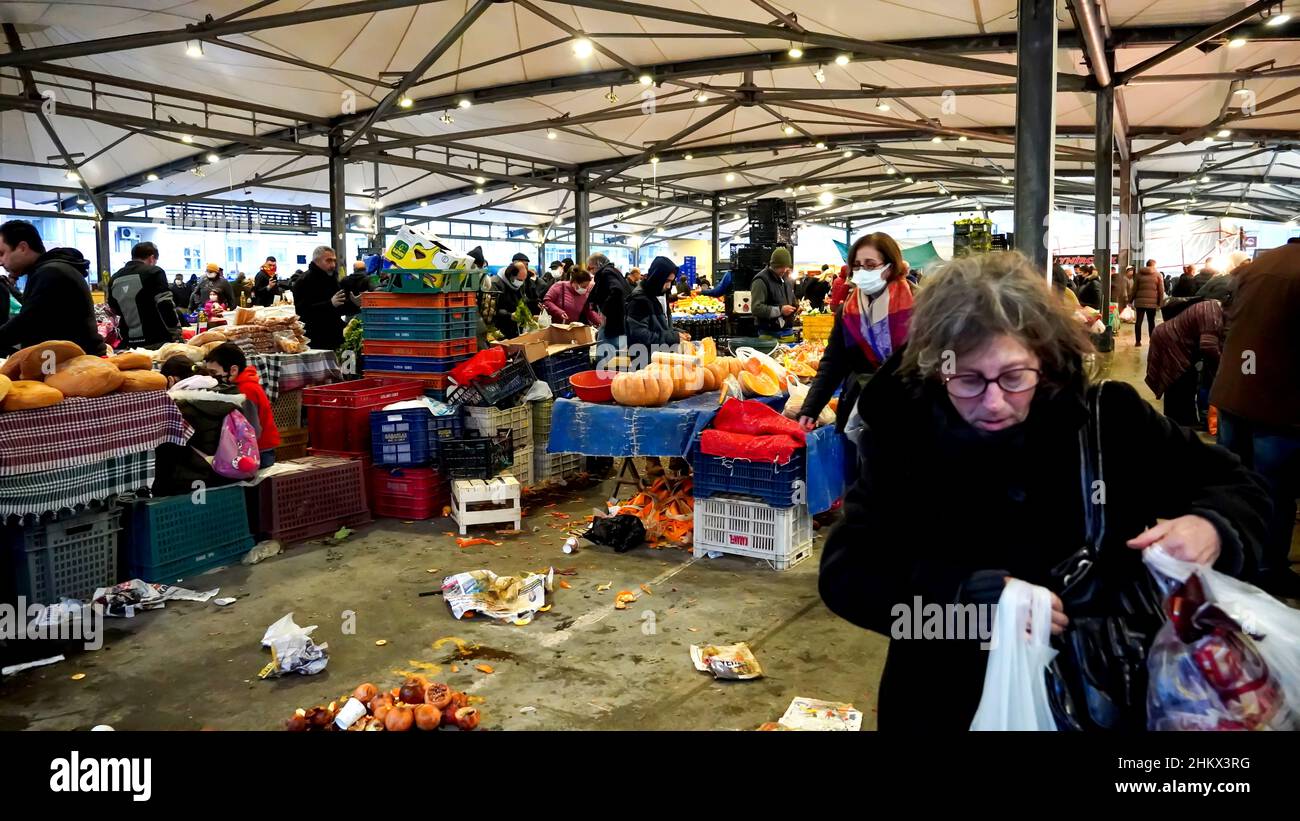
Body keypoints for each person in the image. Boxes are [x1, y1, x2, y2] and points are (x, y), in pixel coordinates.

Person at [818, 250, 1270, 731]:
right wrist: (962, 604)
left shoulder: (1109, 422)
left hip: (1104, 690)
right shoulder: (907, 440)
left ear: (1046, 359)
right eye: (968, 380)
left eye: (1014, 377)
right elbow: (848, 576)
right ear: (936, 369)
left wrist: (1212, 527)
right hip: (947, 699)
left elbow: (1239, 486)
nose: (993, 402)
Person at [1211, 237, 1300, 598]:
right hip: (1276, 404)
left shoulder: (1258, 267)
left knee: (1234, 479)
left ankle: (1229, 556)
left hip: (1235, 392)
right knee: (1274, 491)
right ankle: (1266, 569)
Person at [799, 232, 913, 432]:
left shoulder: (921, 304)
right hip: (860, 407)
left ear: (890, 266)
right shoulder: (847, 312)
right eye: (857, 265)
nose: (862, 271)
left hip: (912, 409)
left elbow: (946, 354)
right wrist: (811, 408)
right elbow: (833, 363)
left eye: (870, 265)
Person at [0, 219, 105, 355]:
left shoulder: (51, 273)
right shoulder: (48, 270)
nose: (1, 262)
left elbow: (27, 323)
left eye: (2, 253)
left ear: (22, 248)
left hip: (76, 365)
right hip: (68, 360)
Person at [1145, 299, 1223, 428]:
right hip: (1171, 341)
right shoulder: (1213, 314)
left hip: (1168, 336)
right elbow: (1208, 346)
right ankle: (1179, 423)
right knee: (1179, 380)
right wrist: (1219, 370)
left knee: (1184, 383)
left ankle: (1183, 421)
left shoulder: (1212, 307)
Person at [205, 342, 280, 467]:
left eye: (213, 372)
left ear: (233, 370)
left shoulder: (246, 391)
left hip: (259, 451)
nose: (211, 377)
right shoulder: (240, 385)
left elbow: (252, 429)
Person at [108, 241, 181, 348]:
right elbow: (165, 304)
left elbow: (114, 309)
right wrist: (176, 333)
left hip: (128, 342)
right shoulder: (155, 272)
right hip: (156, 340)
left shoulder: (114, 278)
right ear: (152, 258)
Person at [626, 256, 689, 354]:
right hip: (645, 359)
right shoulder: (639, 300)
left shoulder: (660, 293)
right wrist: (672, 337)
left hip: (661, 355)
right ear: (657, 277)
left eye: (671, 281)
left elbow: (661, 326)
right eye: (666, 281)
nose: (668, 286)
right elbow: (640, 335)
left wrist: (677, 333)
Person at [292, 246, 345, 350]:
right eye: (329, 261)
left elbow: (340, 306)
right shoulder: (304, 281)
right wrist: (329, 304)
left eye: (334, 261)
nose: (333, 265)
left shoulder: (332, 279)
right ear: (317, 261)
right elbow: (301, 311)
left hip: (334, 335)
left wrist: (354, 304)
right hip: (315, 338)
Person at [749, 247, 798, 337]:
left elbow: (791, 298)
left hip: (787, 332)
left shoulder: (786, 278)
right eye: (781, 267)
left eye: (786, 267)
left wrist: (796, 306)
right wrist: (780, 310)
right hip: (769, 335)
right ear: (773, 265)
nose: (784, 270)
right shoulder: (761, 280)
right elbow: (756, 308)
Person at [588, 254, 632, 352]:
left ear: (598, 264)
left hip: (612, 325)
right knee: (619, 360)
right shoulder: (614, 272)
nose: (590, 271)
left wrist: (604, 312)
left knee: (605, 361)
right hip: (620, 324)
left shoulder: (606, 273)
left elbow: (617, 291)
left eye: (590, 267)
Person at [491, 257, 530, 338]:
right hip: (500, 328)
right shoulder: (496, 284)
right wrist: (509, 315)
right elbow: (493, 310)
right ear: (511, 276)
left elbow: (522, 299)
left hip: (516, 328)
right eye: (519, 280)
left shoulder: (521, 284)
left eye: (523, 280)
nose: (521, 282)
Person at [1130, 259, 1164, 346]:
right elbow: (1161, 290)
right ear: (1154, 265)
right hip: (1152, 303)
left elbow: (1134, 289)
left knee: (1138, 322)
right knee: (1151, 322)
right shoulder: (1158, 275)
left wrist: (1130, 300)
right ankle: (1151, 341)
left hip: (1140, 302)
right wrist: (1160, 303)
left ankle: (1138, 341)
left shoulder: (1139, 274)